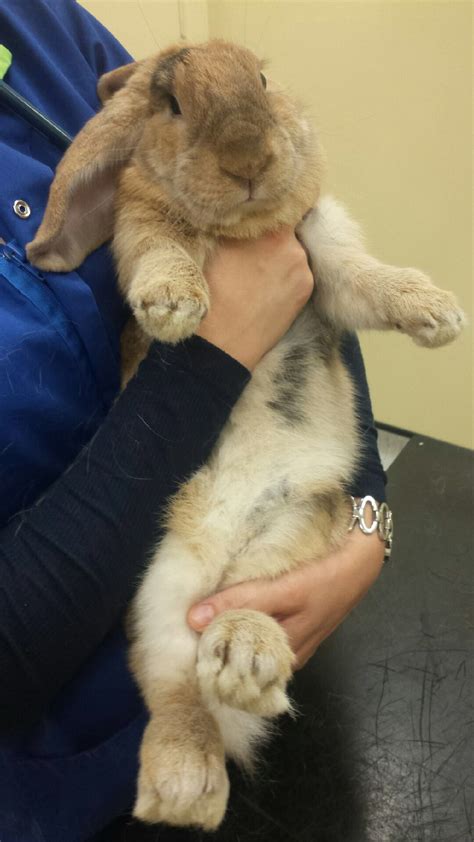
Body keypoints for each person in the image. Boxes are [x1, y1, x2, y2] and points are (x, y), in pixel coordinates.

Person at [0, 2, 387, 840]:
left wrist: (364, 513)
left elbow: (284, 246)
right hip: (56, 774)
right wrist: (212, 353)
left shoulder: (43, 24)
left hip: (267, 644)